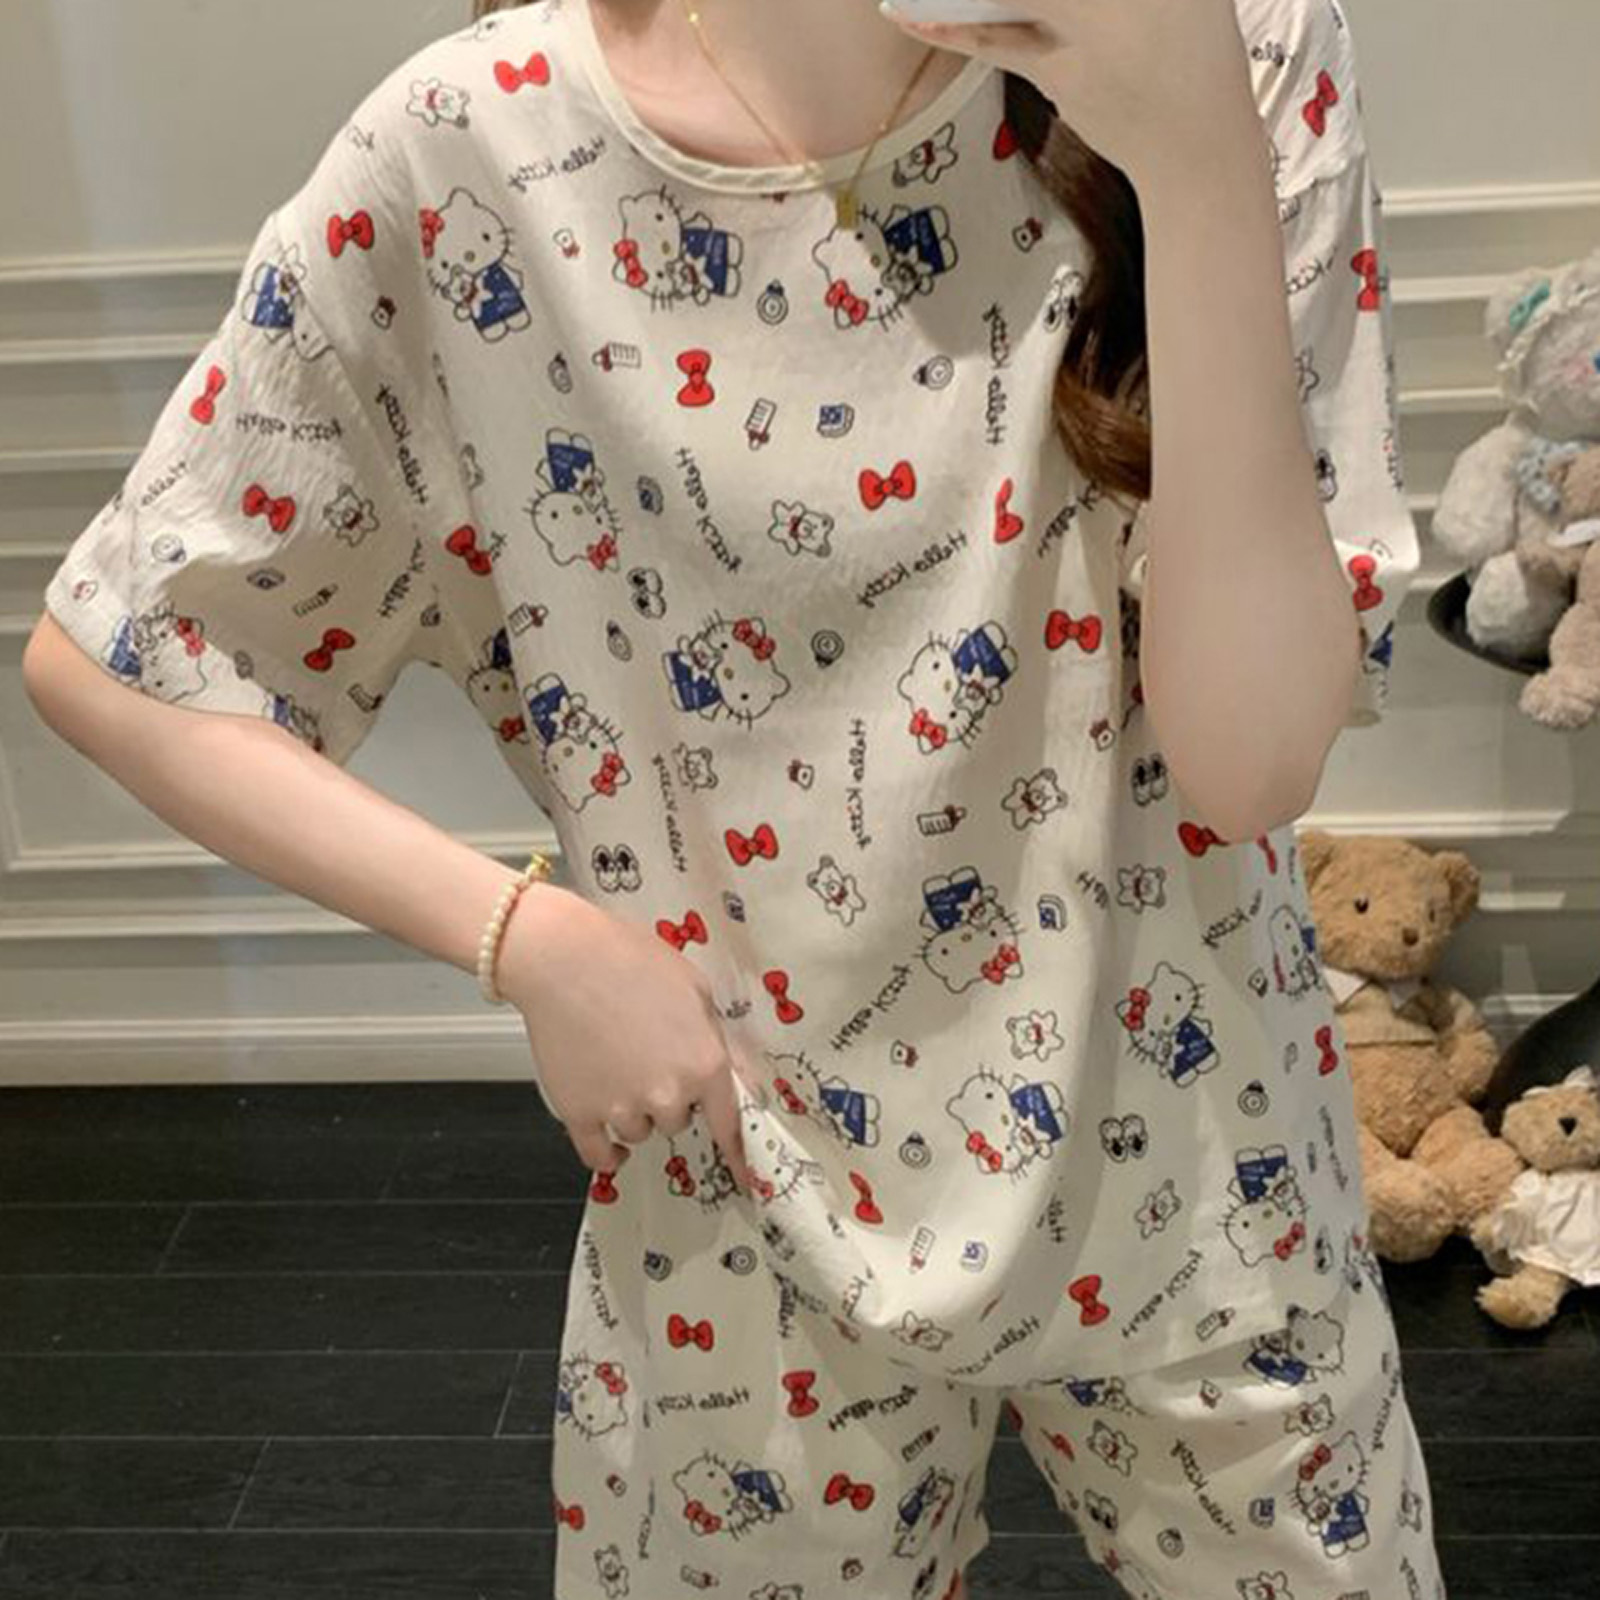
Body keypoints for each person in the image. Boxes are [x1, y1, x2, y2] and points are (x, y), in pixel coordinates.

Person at [23, 0, 1448, 1596]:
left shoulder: (1234, 43)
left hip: (1208, 1180)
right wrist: (530, 941)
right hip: (744, 1202)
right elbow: (128, 648)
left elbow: (1253, 764)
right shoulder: (480, 140)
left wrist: (1192, 152)